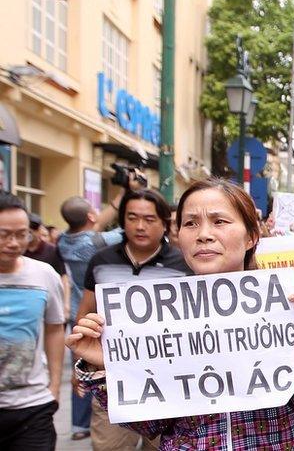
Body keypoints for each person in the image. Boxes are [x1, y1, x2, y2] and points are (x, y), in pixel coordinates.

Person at [67, 179, 294, 449]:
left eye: (219, 221)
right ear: (178, 235)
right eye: (190, 223)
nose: (204, 234)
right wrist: (109, 367)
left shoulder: (290, 308)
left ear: (251, 236)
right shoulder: (156, 319)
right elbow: (150, 426)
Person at [74, 189, 193, 451]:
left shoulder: (185, 266)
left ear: (165, 223)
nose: (140, 226)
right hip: (112, 383)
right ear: (122, 220)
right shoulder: (100, 261)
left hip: (169, 384)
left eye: (149, 219)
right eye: (132, 217)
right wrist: (80, 367)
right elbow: (84, 315)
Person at [58, 171, 144, 442]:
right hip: (97, 319)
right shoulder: (96, 246)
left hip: (78, 316)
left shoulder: (63, 241)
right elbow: (128, 230)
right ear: (91, 217)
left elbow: (99, 222)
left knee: (84, 373)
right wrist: (133, 194)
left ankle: (77, 426)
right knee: (94, 368)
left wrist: (122, 194)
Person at [0, 194, 65, 451]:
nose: (13, 243)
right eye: (4, 234)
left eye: (22, 234)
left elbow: (54, 328)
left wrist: (55, 387)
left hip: (33, 407)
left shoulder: (44, 275)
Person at [25, 213, 69, 320]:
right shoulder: (18, 251)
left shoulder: (52, 250)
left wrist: (66, 305)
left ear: (39, 230)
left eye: (32, 231)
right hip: (25, 302)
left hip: (47, 301)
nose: (29, 235)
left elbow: (63, 277)